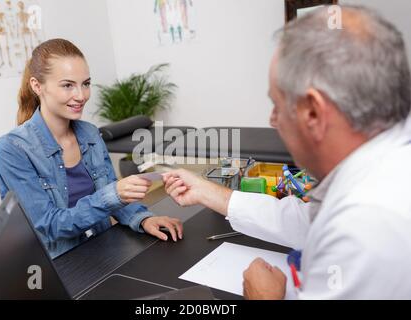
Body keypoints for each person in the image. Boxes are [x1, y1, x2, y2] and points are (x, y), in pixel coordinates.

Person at [163, 6, 411, 299]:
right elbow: (310, 221)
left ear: (313, 113)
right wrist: (212, 193)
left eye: (277, 105)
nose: (272, 119)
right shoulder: (384, 168)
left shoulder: (366, 226)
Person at [0, 39, 183, 259]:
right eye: (68, 85)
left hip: (102, 250)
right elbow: (48, 225)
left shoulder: (90, 134)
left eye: (85, 83)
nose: (81, 95)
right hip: (56, 265)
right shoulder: (13, 148)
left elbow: (113, 194)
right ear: (37, 86)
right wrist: (113, 195)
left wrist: (143, 219)